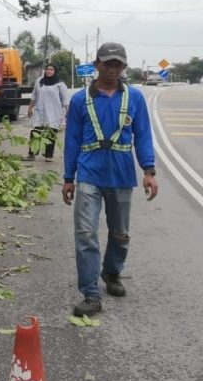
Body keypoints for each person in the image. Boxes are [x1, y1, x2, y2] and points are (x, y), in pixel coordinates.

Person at [62, 43, 158, 317]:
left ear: (123, 66)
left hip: (121, 175)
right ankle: (91, 294)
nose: (113, 69)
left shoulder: (134, 97)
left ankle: (112, 272)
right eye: (108, 63)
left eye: (118, 64)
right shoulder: (80, 100)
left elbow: (143, 134)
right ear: (97, 65)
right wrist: (68, 178)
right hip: (89, 175)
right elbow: (72, 141)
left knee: (120, 233)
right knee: (85, 234)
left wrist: (149, 171)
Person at [25, 63, 69, 161]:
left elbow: (65, 99)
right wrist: (30, 107)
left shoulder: (60, 84)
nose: (49, 71)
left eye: (51, 69)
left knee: (50, 133)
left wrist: (67, 111)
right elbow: (34, 95)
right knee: (35, 132)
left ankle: (48, 155)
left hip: (53, 113)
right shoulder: (39, 81)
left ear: (55, 71)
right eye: (47, 69)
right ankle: (31, 154)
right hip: (39, 112)